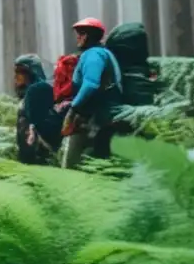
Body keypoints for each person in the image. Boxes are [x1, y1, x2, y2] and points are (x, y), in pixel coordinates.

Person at [62, 18, 123, 169]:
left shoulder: (93, 55)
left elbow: (91, 84)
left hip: (94, 120)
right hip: (105, 117)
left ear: (91, 35)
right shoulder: (104, 53)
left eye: (81, 33)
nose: (78, 37)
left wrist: (73, 107)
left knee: (73, 162)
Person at [13, 54, 49, 164]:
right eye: (16, 72)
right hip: (25, 150)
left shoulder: (39, 93)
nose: (16, 77)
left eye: (21, 72)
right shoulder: (26, 95)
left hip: (37, 152)